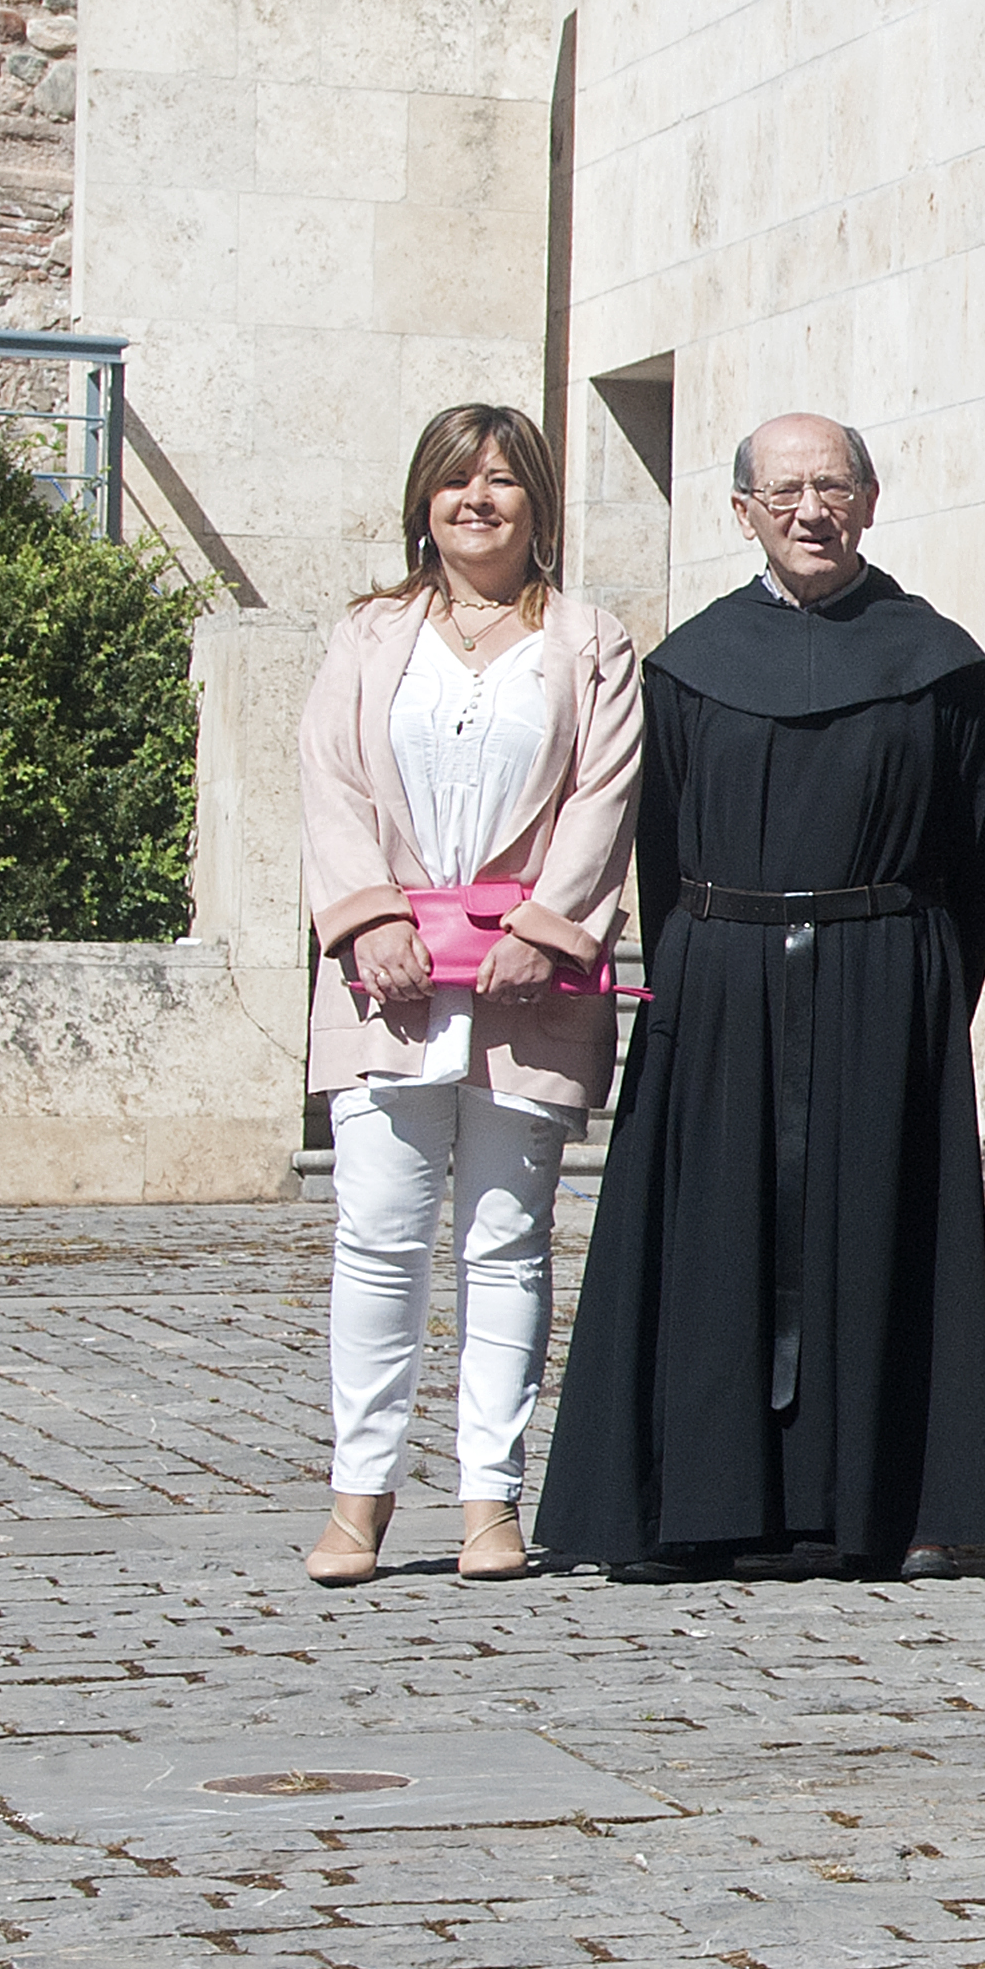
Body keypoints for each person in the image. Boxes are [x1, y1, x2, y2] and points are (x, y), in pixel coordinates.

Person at [538, 414, 985, 1581]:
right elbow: (661, 849)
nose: (813, 509)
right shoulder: (690, 664)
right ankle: (698, 1498)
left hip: (884, 978)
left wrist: (919, 987)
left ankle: (880, 1505)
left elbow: (977, 862)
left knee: (879, 1233)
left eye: (835, 486)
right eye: (786, 490)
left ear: (871, 497)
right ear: (742, 509)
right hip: (723, 984)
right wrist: (699, 969)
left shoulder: (941, 664)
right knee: (712, 1233)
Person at [292, 404, 643, 1588]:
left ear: (539, 503)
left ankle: (491, 1496)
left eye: (501, 480)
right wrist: (369, 916)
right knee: (378, 1240)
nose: (476, 500)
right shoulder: (368, 635)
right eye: (455, 481)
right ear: (423, 500)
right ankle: (361, 1495)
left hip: (526, 987)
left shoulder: (591, 641)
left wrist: (544, 931)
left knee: (507, 1244)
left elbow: (603, 799)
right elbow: (330, 785)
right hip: (383, 984)